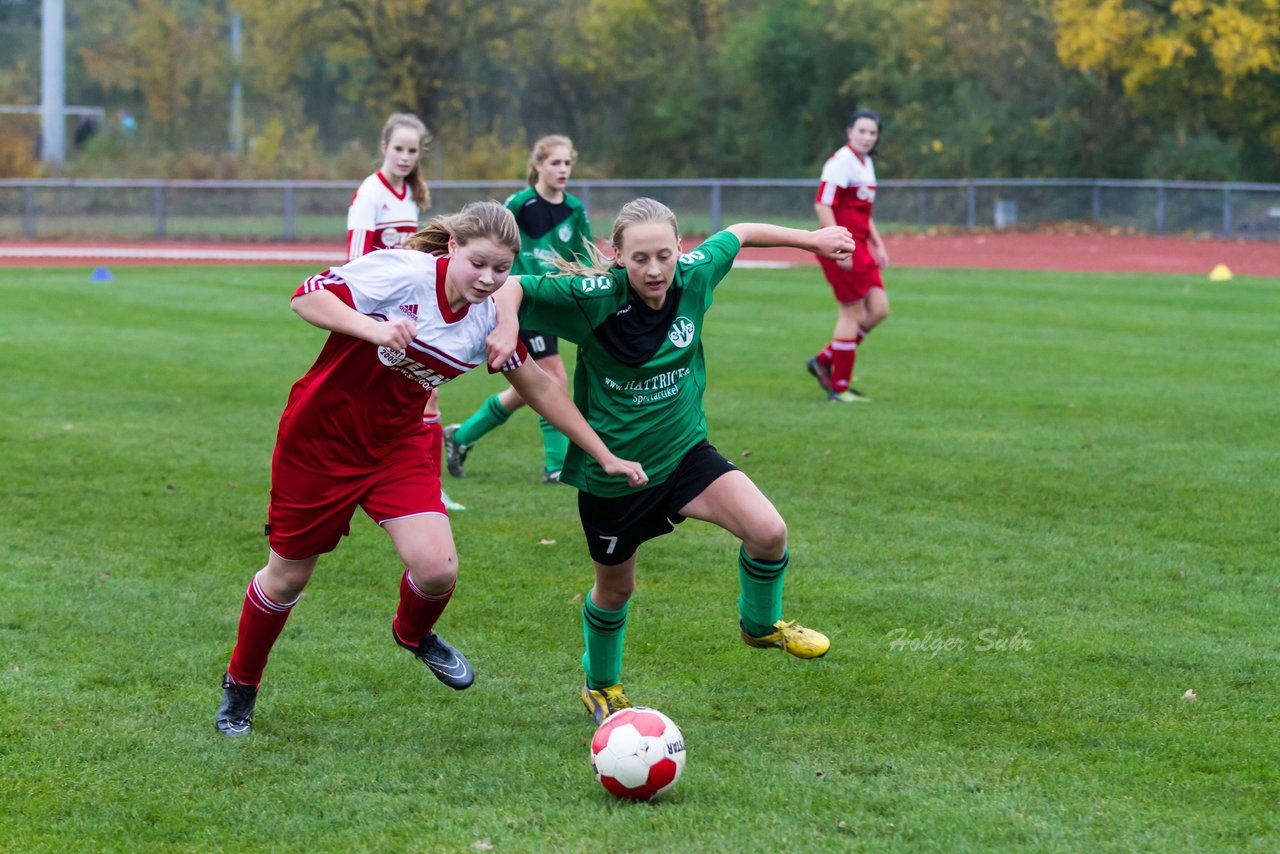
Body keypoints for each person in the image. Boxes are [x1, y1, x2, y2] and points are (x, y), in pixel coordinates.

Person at [215, 201, 648, 737]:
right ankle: (241, 686)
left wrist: (603, 453)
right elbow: (306, 298)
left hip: (399, 445)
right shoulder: (402, 272)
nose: (488, 279)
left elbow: (539, 387)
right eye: (478, 264)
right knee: (288, 576)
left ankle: (413, 633)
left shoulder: (489, 320)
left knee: (438, 568)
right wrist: (370, 330)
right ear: (452, 249)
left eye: (502, 269)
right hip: (320, 442)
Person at [499, 197, 856, 723]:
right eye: (640, 258)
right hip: (614, 476)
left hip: (685, 454)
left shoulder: (694, 276)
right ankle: (601, 686)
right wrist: (508, 325)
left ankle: (760, 626)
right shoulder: (591, 298)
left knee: (769, 531)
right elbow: (514, 285)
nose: (654, 269)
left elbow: (740, 229)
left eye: (664, 255)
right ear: (616, 256)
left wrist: (813, 240)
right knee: (616, 589)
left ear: (679, 251)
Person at [444, 135, 593, 485]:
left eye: (567, 163)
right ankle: (556, 467)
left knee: (530, 386)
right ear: (538, 165)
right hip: (520, 301)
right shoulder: (520, 204)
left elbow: (583, 257)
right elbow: (494, 242)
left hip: (553, 303)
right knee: (553, 377)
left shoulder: (574, 209)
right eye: (555, 162)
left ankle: (461, 436)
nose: (562, 170)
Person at [346, 113, 462, 510]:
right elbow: (356, 258)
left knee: (424, 394)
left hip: (409, 310)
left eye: (412, 150)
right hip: (379, 313)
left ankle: (428, 488)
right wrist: (367, 317)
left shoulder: (410, 193)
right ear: (383, 148)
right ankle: (411, 486)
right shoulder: (370, 193)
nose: (405, 157)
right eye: (398, 148)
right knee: (401, 397)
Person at [806, 109, 891, 403]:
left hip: (862, 247)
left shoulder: (865, 162)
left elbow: (862, 213)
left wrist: (878, 244)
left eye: (872, 132)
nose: (867, 137)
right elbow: (822, 205)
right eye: (862, 131)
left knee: (879, 309)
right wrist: (838, 245)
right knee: (851, 313)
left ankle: (824, 359)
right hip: (844, 246)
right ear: (849, 132)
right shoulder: (842, 161)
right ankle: (839, 387)